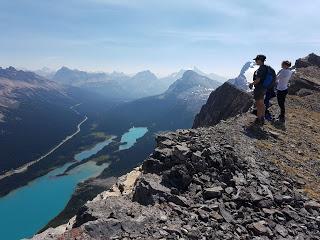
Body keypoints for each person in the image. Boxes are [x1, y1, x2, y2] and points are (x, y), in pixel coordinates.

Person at [249, 54, 268, 125]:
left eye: (256, 60)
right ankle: (262, 118)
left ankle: (259, 119)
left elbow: (258, 80)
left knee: (258, 104)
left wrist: (251, 84)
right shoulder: (265, 68)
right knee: (262, 103)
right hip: (263, 88)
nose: (256, 61)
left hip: (259, 88)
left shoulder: (261, 69)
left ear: (260, 60)